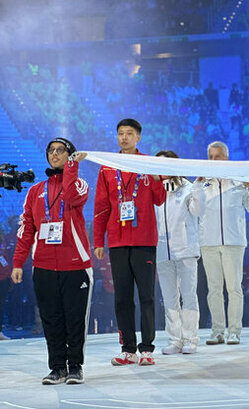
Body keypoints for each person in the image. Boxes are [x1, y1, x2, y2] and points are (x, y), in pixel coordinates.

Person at [11, 138, 92, 385]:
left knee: (74, 318)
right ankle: (57, 367)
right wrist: (18, 262)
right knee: (51, 318)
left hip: (76, 264)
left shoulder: (79, 184)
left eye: (61, 151)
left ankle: (75, 366)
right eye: (51, 151)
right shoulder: (35, 192)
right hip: (43, 265)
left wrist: (71, 168)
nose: (55, 154)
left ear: (70, 156)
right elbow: (26, 229)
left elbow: (71, 197)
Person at [93, 119, 166, 366]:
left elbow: (159, 200)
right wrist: (98, 240)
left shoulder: (148, 164)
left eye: (129, 134)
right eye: (121, 134)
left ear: (138, 138)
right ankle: (128, 349)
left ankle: (147, 349)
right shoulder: (107, 167)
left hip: (144, 239)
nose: (124, 138)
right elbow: (101, 207)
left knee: (146, 295)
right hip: (116, 241)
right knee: (122, 297)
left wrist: (156, 177)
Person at [198, 141, 249, 345]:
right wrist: (197, 186)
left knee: (234, 288)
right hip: (208, 242)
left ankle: (234, 331)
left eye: (218, 156)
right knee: (213, 289)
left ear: (226, 157)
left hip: (233, 242)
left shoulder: (240, 180)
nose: (214, 160)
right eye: (211, 156)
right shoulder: (202, 182)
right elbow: (195, 210)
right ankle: (217, 331)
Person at [154, 150, 204, 355]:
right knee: (169, 298)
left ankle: (191, 338)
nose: (162, 171)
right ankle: (175, 339)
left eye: (165, 165)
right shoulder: (152, 190)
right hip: (161, 251)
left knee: (189, 296)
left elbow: (198, 211)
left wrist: (199, 188)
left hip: (185, 250)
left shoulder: (188, 187)